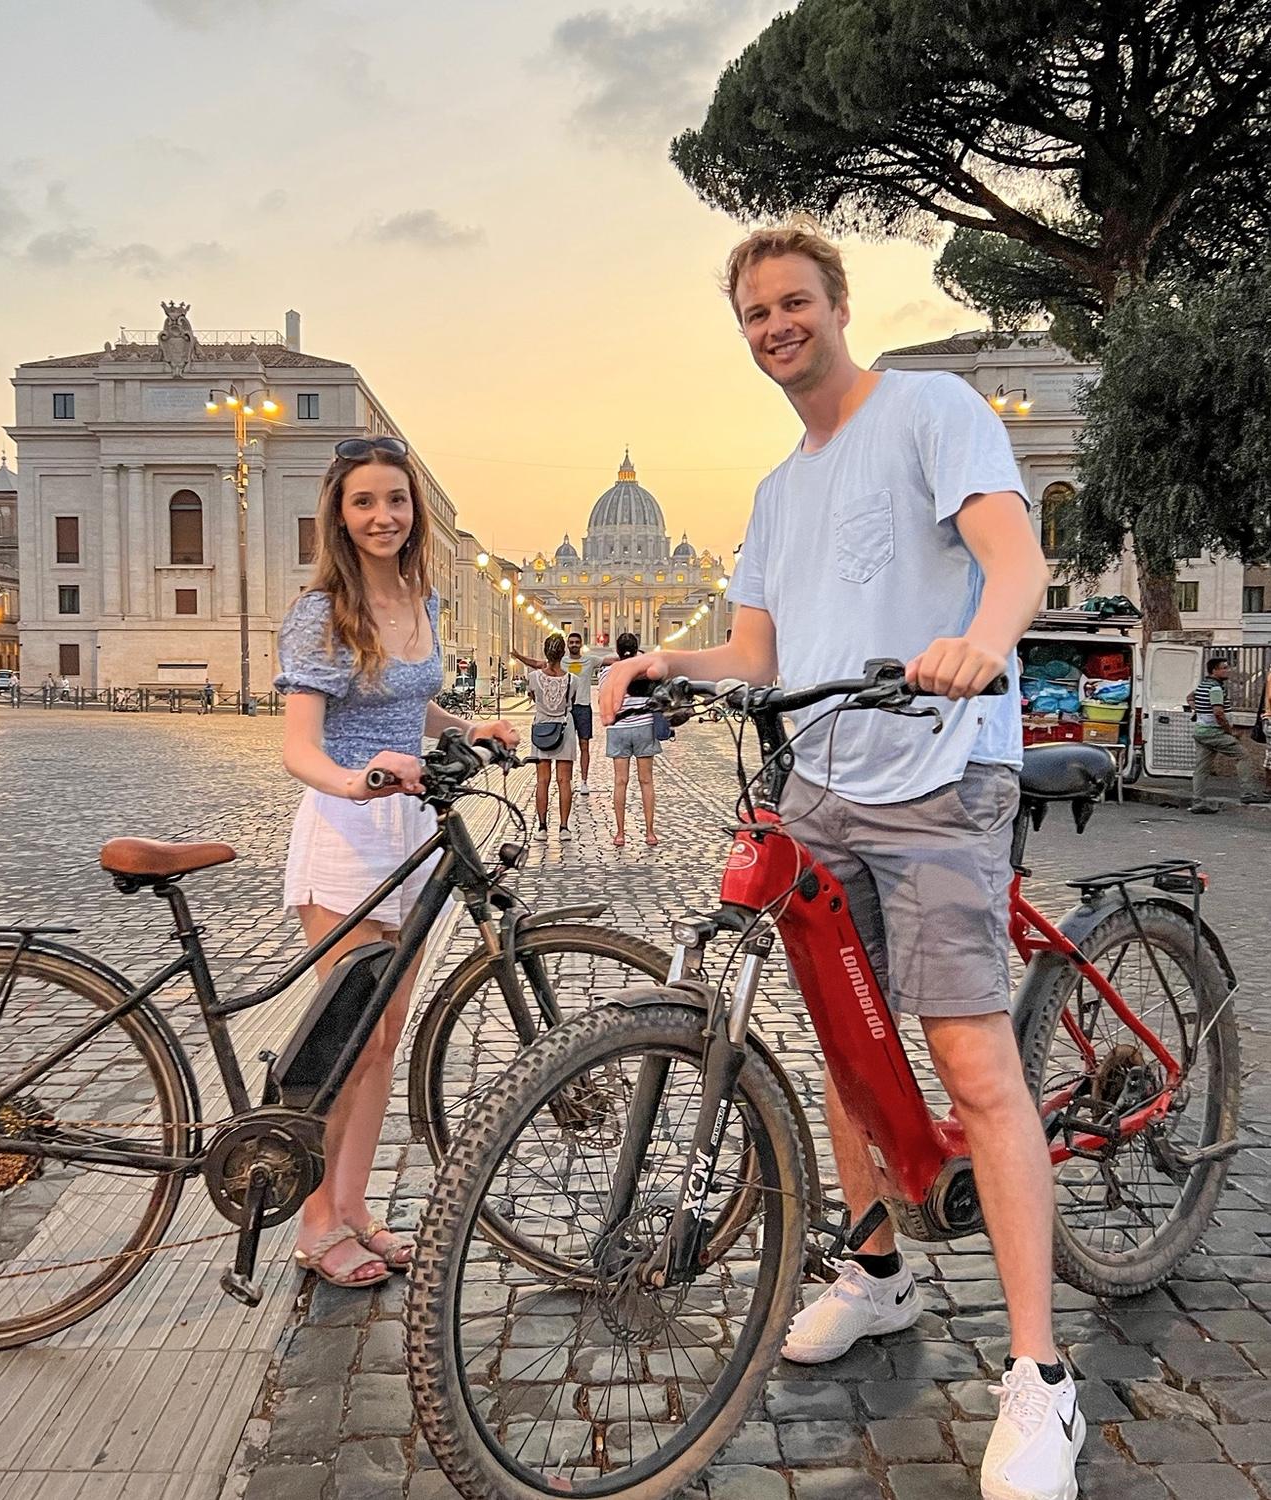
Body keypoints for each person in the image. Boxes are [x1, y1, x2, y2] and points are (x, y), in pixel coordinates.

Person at [601, 220, 1077, 1500]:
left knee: (970, 1062)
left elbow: (1014, 559)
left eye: (793, 302)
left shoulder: (932, 409)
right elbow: (757, 655)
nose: (775, 327)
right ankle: (875, 1268)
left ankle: (1040, 1380)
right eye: (755, 314)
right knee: (843, 1045)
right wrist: (670, 664)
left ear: (836, 303)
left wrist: (980, 640)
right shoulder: (774, 491)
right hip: (819, 782)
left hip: (934, 773)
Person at [277, 434, 518, 1288]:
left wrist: (466, 728)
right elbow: (299, 748)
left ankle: (354, 1208)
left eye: (396, 500)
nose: (383, 516)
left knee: (383, 1040)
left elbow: (411, 710)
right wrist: (358, 780)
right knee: (342, 1043)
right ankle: (313, 1223)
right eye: (364, 502)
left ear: (414, 513)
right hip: (347, 832)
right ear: (339, 518)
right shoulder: (321, 612)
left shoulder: (427, 600)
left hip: (412, 831)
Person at [513, 630, 614, 794]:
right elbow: (537, 664)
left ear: (581, 644)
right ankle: (568, 780)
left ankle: (584, 781)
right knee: (566, 748)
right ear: (567, 646)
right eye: (571, 642)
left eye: (577, 642)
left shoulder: (590, 659)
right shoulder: (561, 662)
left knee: (584, 745)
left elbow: (611, 661)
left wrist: (631, 655)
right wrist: (518, 656)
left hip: (583, 707)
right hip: (565, 709)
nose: (574, 644)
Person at [599, 632, 660, 849]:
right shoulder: (645, 671)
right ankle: (650, 832)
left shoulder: (607, 672)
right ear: (637, 649)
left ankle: (620, 833)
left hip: (619, 729)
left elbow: (603, 698)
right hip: (643, 726)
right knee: (646, 781)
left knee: (620, 781)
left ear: (617, 650)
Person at [1189, 656, 1270, 812]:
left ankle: (1198, 801)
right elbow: (1219, 713)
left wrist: (1199, 710)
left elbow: (1190, 698)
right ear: (1214, 670)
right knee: (1243, 756)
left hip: (1201, 731)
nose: (1228, 671)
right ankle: (1248, 793)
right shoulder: (1215, 688)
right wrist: (1229, 731)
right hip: (1214, 732)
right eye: (1224, 668)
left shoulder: (1202, 685)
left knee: (1202, 768)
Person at [524, 633, 578, 839]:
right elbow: (570, 702)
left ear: (545, 652)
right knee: (564, 781)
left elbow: (533, 697)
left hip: (541, 728)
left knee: (542, 780)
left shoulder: (533, 678)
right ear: (563, 653)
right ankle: (564, 827)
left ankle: (542, 827)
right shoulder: (573, 680)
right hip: (564, 728)